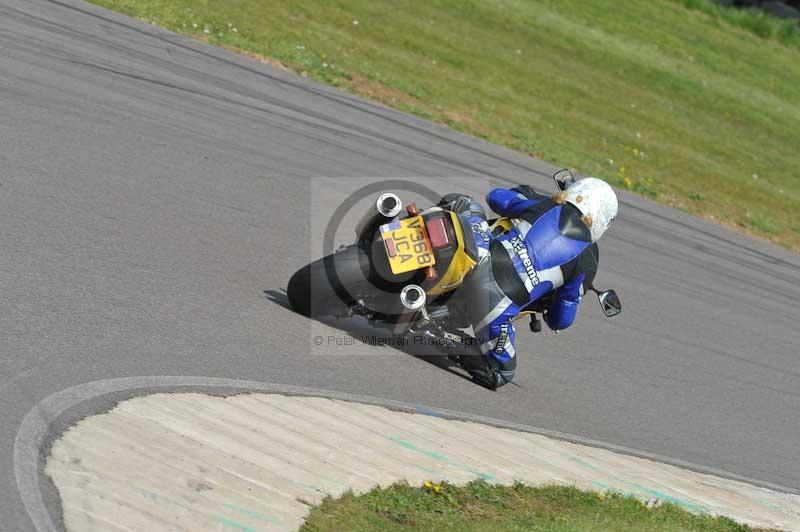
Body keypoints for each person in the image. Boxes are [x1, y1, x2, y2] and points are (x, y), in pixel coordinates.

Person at [439, 177, 618, 390]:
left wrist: (521, 194)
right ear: (603, 219)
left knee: (462, 202)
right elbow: (561, 320)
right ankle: (443, 340)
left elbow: (495, 197)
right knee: (501, 372)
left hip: (480, 257)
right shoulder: (588, 260)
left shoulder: (546, 204)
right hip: (496, 307)